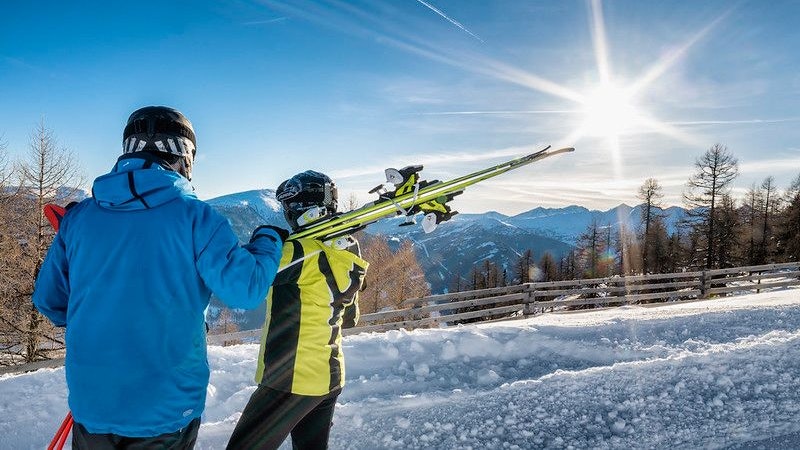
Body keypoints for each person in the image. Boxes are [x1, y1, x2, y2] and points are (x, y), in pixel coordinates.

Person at [33, 106, 287, 449]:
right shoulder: (196, 217)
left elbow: (50, 302)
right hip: (166, 406)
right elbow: (246, 289)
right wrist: (268, 240)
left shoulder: (79, 219)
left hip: (93, 403)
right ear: (184, 156)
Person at [227, 171, 369, 450]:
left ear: (297, 209)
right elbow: (351, 318)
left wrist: (265, 235)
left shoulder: (298, 253)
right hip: (330, 376)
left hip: (289, 379)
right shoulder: (351, 251)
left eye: (287, 209)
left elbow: (242, 276)